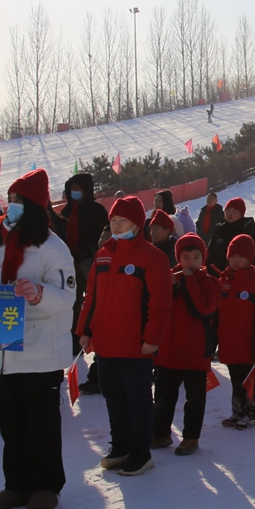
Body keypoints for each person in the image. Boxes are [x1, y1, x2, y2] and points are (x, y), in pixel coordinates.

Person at [0, 170, 77, 509]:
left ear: (35, 206)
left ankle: (46, 485)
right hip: (7, 348)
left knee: (42, 423)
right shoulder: (1, 243)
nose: (13, 207)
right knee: (12, 422)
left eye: (20, 201)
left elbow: (66, 297)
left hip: (41, 350)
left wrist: (38, 294)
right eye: (11, 200)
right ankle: (17, 484)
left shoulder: (54, 248)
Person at [78, 195, 174, 477]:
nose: (117, 226)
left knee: (138, 398)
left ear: (137, 223)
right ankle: (120, 446)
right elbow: (90, 297)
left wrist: (152, 338)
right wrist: (84, 330)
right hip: (106, 343)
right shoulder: (104, 254)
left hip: (136, 344)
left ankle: (141, 452)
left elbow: (160, 303)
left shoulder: (152, 257)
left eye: (122, 221)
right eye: (113, 221)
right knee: (113, 396)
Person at [150, 233, 220, 456]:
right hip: (169, 351)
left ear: (203, 258)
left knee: (195, 400)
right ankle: (161, 434)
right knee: (163, 397)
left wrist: (188, 280)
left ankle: (191, 437)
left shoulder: (209, 282)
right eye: (186, 257)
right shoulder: (169, 278)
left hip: (195, 353)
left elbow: (202, 309)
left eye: (196, 257)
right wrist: (169, 286)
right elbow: (155, 307)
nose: (190, 262)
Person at [56, 172, 109, 396]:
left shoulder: (96, 210)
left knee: (96, 300)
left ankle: (94, 338)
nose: (75, 192)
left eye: (79, 188)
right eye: (72, 188)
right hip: (70, 261)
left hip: (91, 259)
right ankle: (75, 338)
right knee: (72, 301)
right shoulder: (67, 211)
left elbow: (104, 235)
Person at [216, 233, 255, 430]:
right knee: (236, 379)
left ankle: (253, 411)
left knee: (253, 379)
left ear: (250, 258)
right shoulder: (223, 281)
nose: (235, 260)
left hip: (251, 344)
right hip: (231, 342)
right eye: (232, 256)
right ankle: (238, 410)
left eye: (240, 256)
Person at [207, 196, 255, 270]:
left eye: (234, 211)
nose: (230, 214)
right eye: (228, 210)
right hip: (218, 275)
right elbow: (210, 253)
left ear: (241, 214)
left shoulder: (247, 231)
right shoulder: (219, 229)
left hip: (241, 276)